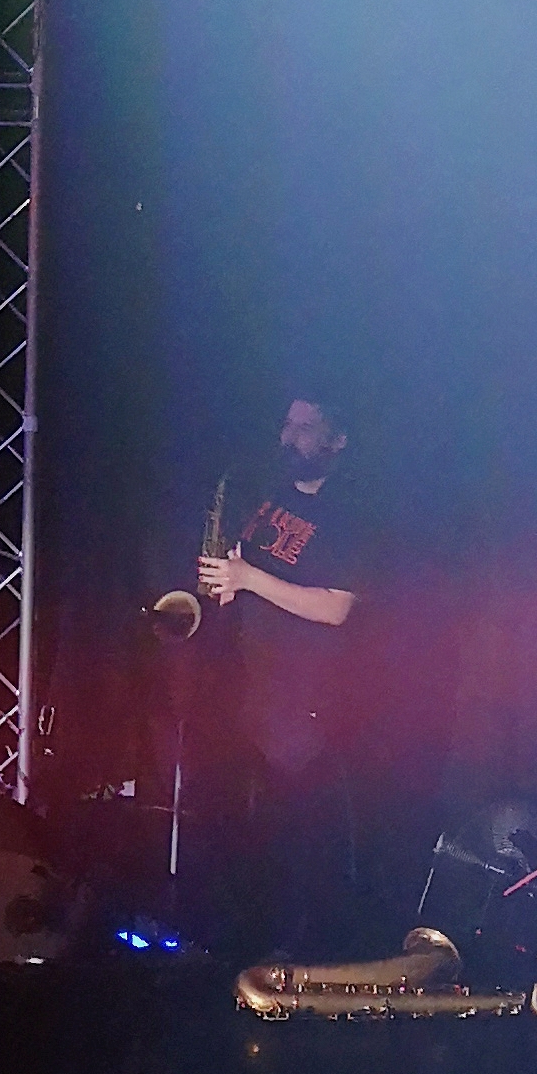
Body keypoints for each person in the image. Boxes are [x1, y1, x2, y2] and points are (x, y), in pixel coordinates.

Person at [198, 392, 367, 953]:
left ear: (337, 440)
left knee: (299, 842)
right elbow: (251, 575)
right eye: (287, 424)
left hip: (304, 700)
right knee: (247, 837)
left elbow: (336, 608)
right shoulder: (272, 497)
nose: (289, 437)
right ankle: (239, 946)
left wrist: (248, 578)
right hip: (253, 687)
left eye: (305, 427)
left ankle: (297, 959)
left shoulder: (347, 513)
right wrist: (227, 583)